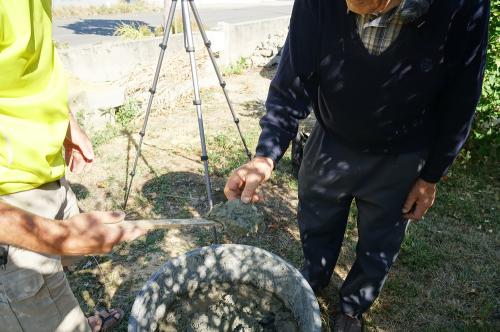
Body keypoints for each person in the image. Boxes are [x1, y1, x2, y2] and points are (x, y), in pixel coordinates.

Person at [224, 0, 490, 331]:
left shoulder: (463, 6)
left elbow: (462, 97)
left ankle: (352, 307)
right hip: (331, 139)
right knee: (316, 220)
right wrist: (266, 154)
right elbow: (293, 78)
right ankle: (315, 276)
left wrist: (431, 175)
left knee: (380, 242)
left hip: (403, 154)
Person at [0, 1, 145, 331]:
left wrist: (66, 121)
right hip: (11, 208)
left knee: (59, 277)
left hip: (46, 177)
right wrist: (58, 237)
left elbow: (31, 61)